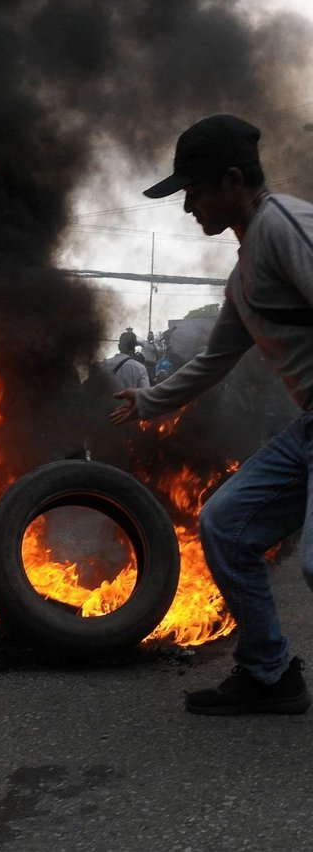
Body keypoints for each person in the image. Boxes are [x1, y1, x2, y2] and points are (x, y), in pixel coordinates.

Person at [110, 113, 313, 716]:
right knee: (225, 523)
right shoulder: (245, 273)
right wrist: (149, 400)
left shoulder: (285, 228)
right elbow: (214, 361)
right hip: (308, 429)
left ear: (232, 181)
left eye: (193, 190)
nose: (187, 205)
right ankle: (269, 674)